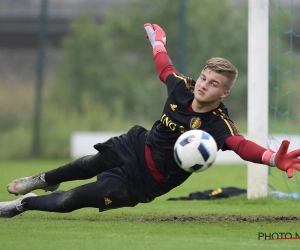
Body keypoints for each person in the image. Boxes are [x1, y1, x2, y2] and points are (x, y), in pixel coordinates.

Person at [1, 23, 300, 218]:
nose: (203, 85)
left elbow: (241, 145)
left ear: (224, 92)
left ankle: (23, 206)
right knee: (86, 164)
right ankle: (44, 180)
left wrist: (273, 158)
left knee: (70, 202)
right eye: (204, 78)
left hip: (145, 181)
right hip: (136, 145)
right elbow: (164, 68)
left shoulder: (218, 124)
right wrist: (157, 42)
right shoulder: (183, 86)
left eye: (212, 84)